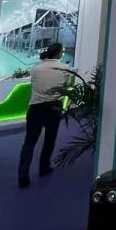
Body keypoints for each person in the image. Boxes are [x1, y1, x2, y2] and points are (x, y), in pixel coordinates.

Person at [17, 43, 73, 188]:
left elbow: (34, 83)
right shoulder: (65, 68)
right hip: (54, 107)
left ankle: (23, 174)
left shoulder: (36, 68)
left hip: (36, 107)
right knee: (50, 140)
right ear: (59, 53)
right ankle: (44, 167)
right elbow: (66, 86)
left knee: (29, 141)